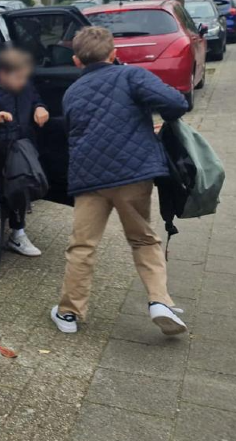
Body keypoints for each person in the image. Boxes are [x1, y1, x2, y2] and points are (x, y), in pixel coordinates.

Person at [51, 26, 189, 335]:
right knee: (142, 238)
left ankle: (70, 313)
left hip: (89, 179)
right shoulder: (131, 76)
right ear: (114, 54)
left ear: (76, 61)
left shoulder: (71, 92)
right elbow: (177, 104)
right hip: (132, 174)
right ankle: (159, 302)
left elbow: (70, 131)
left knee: (82, 246)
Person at [0, 48, 49, 257]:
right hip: (1, 151)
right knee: (10, 190)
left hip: (24, 145)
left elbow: (35, 97)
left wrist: (40, 107)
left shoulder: (25, 88)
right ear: (3, 74)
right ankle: (13, 232)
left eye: (25, 76)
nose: (23, 81)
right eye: (19, 77)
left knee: (21, 188)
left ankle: (17, 232)